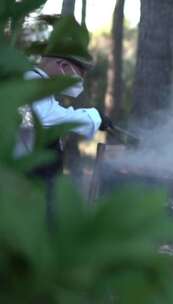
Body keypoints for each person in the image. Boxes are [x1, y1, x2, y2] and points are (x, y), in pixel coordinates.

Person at [15, 16, 113, 229]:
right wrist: (94, 116)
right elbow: (46, 117)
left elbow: (54, 112)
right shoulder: (30, 83)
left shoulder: (41, 87)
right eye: (81, 73)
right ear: (62, 66)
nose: (82, 80)